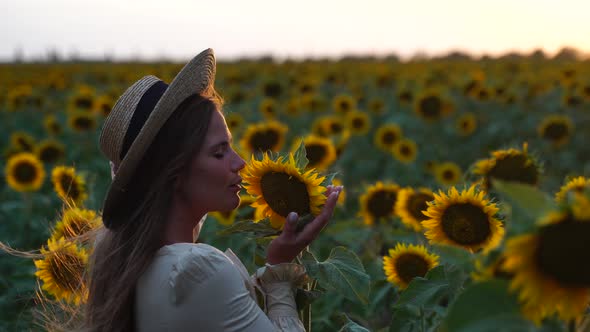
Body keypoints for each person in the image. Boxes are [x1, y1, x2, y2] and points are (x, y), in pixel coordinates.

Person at [89, 48, 342, 332]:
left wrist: (278, 260)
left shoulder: (137, 267)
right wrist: (280, 276)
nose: (241, 162)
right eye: (220, 152)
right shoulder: (197, 270)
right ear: (174, 172)